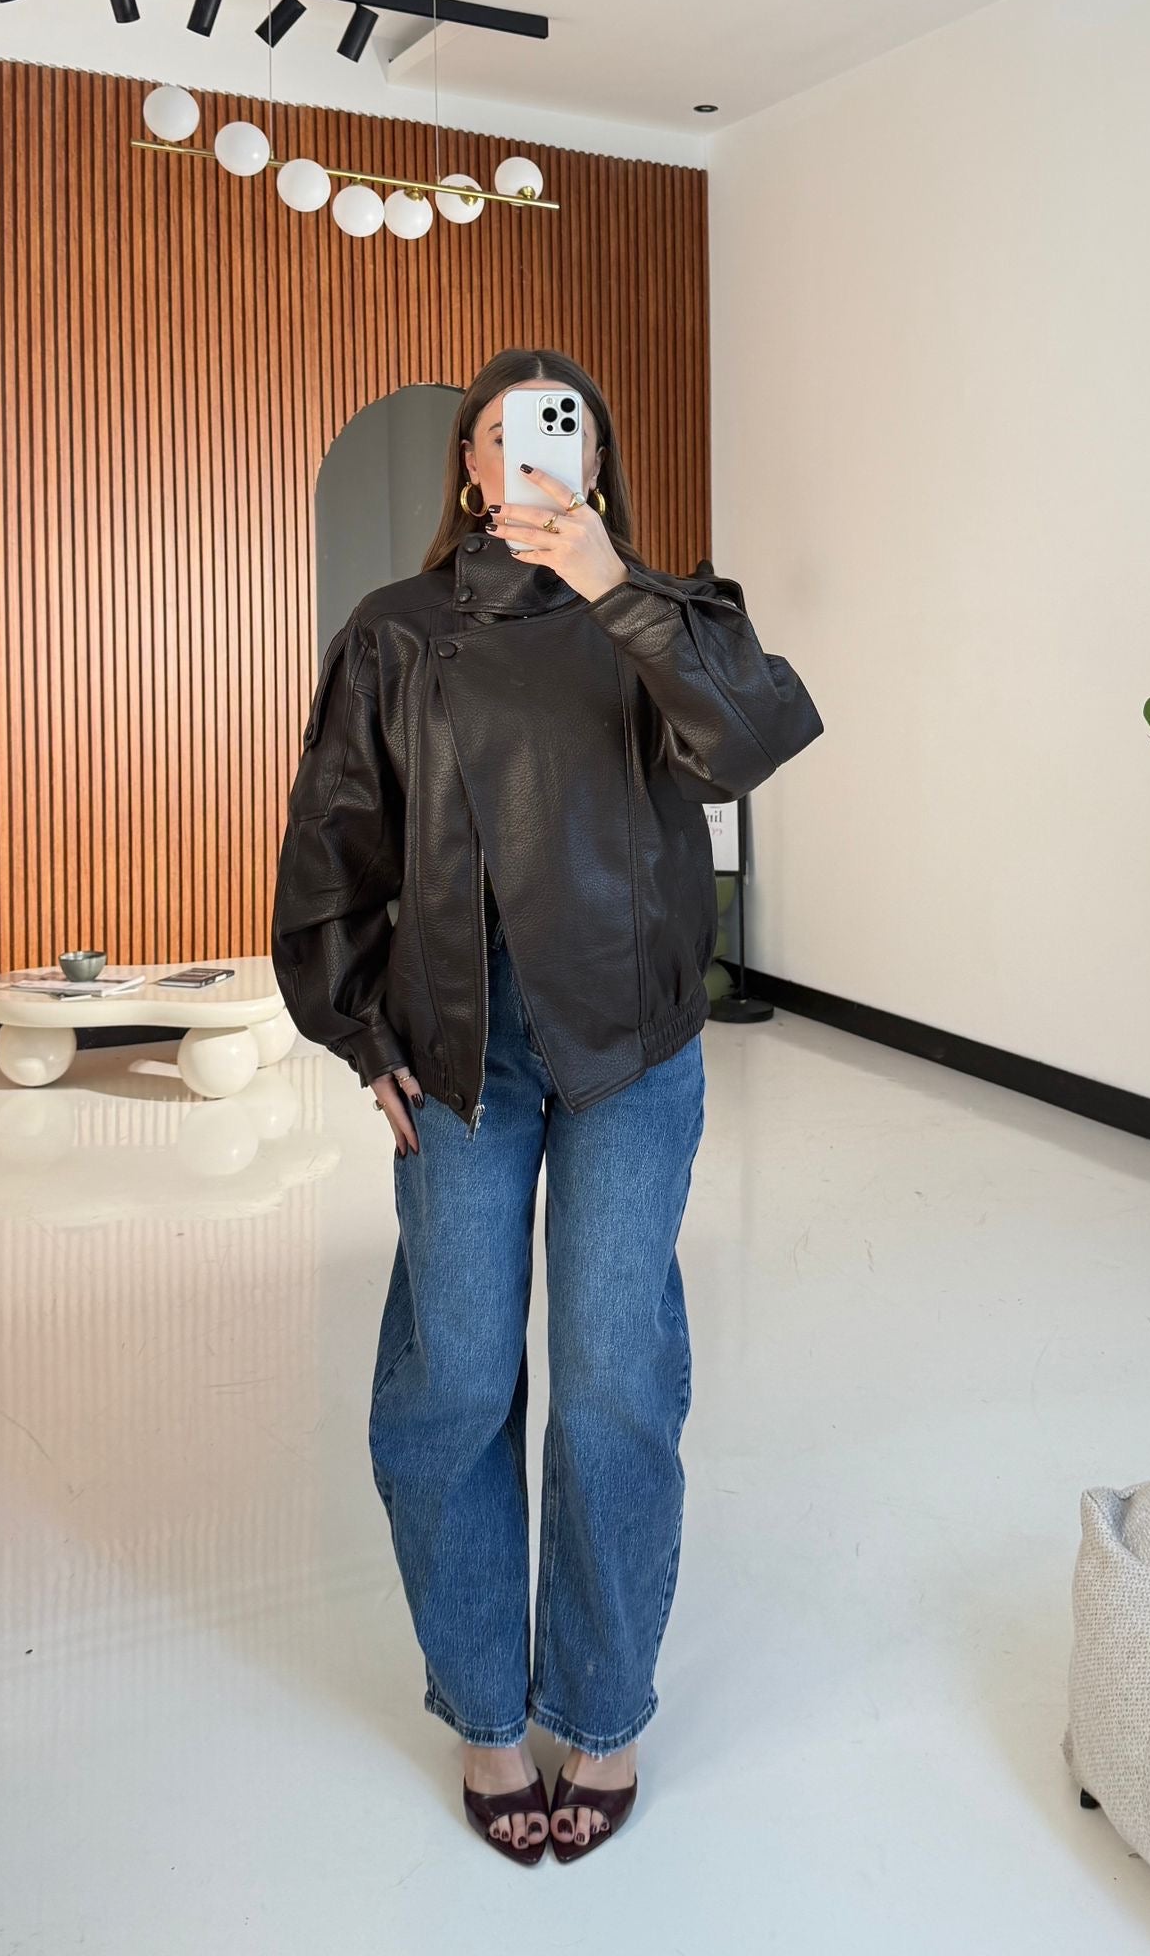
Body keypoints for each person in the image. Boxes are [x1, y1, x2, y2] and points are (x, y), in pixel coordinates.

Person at [270, 347, 822, 1865]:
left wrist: (612, 587)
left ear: (594, 458)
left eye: (556, 431)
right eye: (500, 434)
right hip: (459, 1049)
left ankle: (604, 1703)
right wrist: (357, 1027)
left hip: (629, 1051)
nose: (526, 455)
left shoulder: (673, 615)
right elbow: (335, 837)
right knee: (454, 1381)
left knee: (613, 1382)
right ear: (469, 467)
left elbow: (754, 742)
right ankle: (486, 1708)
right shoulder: (395, 634)